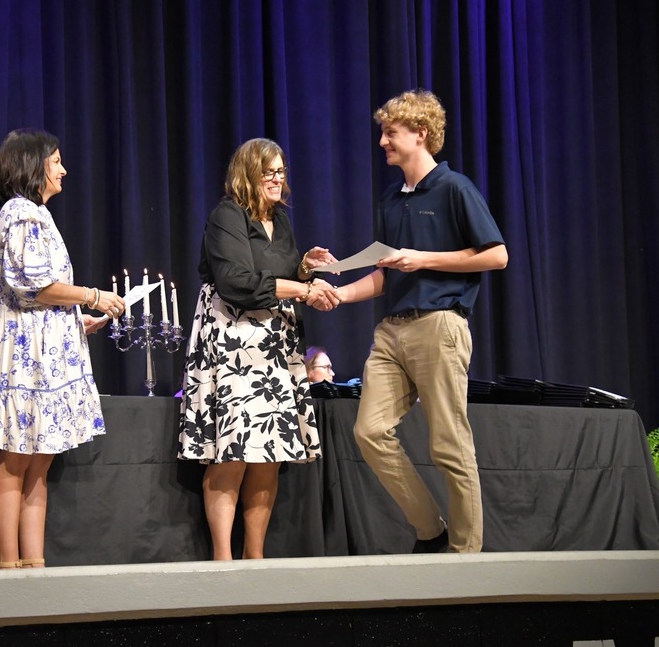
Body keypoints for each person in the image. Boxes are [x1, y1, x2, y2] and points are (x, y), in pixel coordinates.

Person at [330, 90, 508, 553]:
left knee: (448, 443)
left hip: (438, 325)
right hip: (392, 331)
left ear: (421, 135)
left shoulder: (455, 188)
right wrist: (334, 290)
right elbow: (384, 274)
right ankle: (432, 529)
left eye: (391, 133)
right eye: (383, 133)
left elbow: (497, 255)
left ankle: (465, 557)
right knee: (368, 431)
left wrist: (424, 258)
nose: (383, 142)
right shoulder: (391, 199)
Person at [179, 138, 338, 560]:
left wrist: (304, 266)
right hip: (233, 342)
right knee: (233, 451)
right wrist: (303, 289)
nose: (277, 178)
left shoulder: (280, 220)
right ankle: (222, 558)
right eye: (269, 171)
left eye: (282, 171)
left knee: (270, 451)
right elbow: (238, 282)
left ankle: (255, 558)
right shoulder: (226, 216)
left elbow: (277, 271)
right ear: (248, 172)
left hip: (274, 346)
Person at [0, 129, 122, 570]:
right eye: (55, 160)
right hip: (25, 352)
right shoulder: (21, 213)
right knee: (17, 457)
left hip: (46, 347)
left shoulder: (36, 214)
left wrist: (77, 320)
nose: (63, 169)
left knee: (39, 459)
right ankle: (7, 563)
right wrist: (92, 296)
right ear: (33, 166)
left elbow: (43, 291)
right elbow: (32, 284)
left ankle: (33, 564)